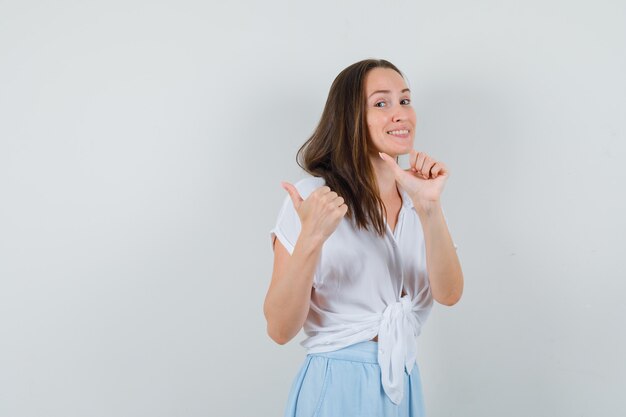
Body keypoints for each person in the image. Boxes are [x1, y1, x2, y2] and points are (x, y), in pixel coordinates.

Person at [263, 58, 464, 417]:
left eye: (405, 100)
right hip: (336, 386)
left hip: (402, 383)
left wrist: (430, 208)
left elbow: (449, 294)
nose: (400, 113)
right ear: (351, 118)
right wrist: (311, 238)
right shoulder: (314, 199)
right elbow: (279, 329)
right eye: (381, 103)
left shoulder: (420, 198)